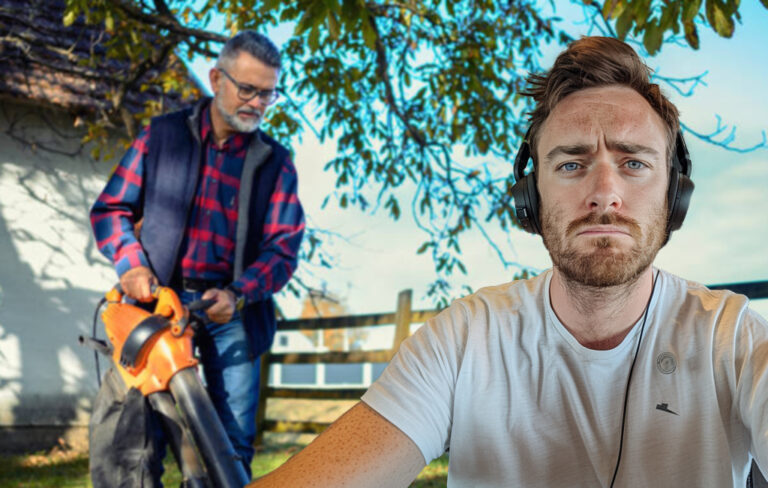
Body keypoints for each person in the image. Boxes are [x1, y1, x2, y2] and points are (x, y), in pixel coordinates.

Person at [248, 36, 768, 487]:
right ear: (531, 197)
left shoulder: (737, 340)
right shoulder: (463, 340)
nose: (605, 193)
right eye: (571, 163)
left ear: (674, 195)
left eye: (634, 162)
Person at [90, 31, 304, 478]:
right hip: (156, 306)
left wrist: (240, 294)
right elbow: (111, 209)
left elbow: (282, 248)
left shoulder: (275, 162)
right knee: (136, 436)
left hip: (229, 311)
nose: (257, 103)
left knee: (230, 444)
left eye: (267, 93)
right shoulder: (161, 137)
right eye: (247, 89)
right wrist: (131, 265)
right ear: (216, 78)